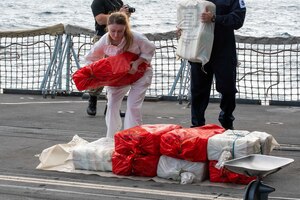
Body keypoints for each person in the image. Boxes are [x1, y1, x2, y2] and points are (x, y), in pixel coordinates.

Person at [84, 12, 156, 138]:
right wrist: (97, 72)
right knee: (111, 105)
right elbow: (91, 58)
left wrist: (137, 63)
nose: (116, 35)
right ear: (108, 27)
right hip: (119, 76)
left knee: (133, 106)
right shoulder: (104, 40)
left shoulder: (136, 37)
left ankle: (133, 138)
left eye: (120, 31)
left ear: (125, 29)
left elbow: (150, 49)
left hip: (140, 73)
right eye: (113, 31)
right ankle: (112, 138)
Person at [187, 0, 246, 130]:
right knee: (197, 91)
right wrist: (182, 29)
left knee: (228, 89)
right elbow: (187, 16)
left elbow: (238, 20)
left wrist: (214, 18)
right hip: (200, 50)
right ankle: (197, 125)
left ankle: (226, 120)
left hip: (223, 52)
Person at [86, 0, 131, 117]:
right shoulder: (98, 2)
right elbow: (100, 19)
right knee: (99, 71)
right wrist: (119, 15)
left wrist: (125, 16)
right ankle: (92, 99)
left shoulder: (118, 1)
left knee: (117, 73)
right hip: (102, 39)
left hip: (118, 40)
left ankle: (111, 106)